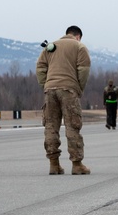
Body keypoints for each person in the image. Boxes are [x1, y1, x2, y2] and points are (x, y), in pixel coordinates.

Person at [36, 26, 91, 175]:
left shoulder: (50, 47)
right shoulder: (79, 47)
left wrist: (46, 85)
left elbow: (40, 68)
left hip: (50, 90)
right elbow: (84, 70)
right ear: (78, 36)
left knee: (51, 126)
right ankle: (77, 164)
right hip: (68, 90)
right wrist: (79, 88)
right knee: (72, 126)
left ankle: (54, 164)